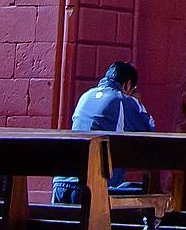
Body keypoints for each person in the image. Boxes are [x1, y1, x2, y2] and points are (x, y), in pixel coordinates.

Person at [51, 62, 156, 205]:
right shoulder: (123, 100)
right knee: (149, 193)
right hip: (93, 188)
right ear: (128, 85)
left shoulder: (85, 96)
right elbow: (150, 130)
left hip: (61, 184)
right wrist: (135, 101)